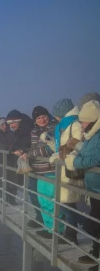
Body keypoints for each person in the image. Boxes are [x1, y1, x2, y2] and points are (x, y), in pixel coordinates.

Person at [65, 100, 100, 266]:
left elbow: (97, 158)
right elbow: (89, 153)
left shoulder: (98, 135)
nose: (81, 123)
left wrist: (75, 163)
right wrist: (77, 149)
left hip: (99, 188)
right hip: (94, 187)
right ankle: (96, 252)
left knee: (94, 224)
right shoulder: (91, 134)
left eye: (84, 120)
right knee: (95, 222)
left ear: (92, 119)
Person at [18, 106, 60, 238]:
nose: (42, 120)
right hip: (38, 170)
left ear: (49, 116)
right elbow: (35, 147)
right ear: (35, 120)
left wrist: (30, 154)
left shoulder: (54, 128)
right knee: (43, 201)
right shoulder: (34, 130)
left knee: (52, 202)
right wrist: (26, 151)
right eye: (38, 118)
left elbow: (50, 148)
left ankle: (56, 231)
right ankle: (49, 229)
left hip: (51, 169)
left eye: (44, 116)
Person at [49, 98, 83, 244]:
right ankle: (69, 233)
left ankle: (72, 235)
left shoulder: (74, 125)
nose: (55, 117)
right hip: (63, 170)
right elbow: (62, 147)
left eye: (56, 114)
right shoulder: (65, 125)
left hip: (70, 170)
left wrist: (59, 155)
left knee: (69, 204)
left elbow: (77, 146)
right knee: (66, 203)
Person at [7, 110, 33, 217]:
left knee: (33, 190)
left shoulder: (27, 128)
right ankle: (41, 219)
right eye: (10, 124)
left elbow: (28, 142)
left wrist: (22, 150)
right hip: (26, 161)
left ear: (18, 121)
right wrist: (13, 149)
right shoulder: (21, 128)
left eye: (13, 123)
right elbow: (18, 142)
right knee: (31, 189)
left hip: (33, 162)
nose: (11, 126)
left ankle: (44, 221)